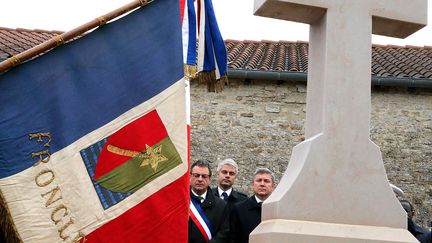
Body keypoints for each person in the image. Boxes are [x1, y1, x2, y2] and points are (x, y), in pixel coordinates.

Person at [229, 167, 276, 243]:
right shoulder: (239, 209)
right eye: (259, 180)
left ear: (273, 186)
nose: (262, 184)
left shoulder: (278, 209)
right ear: (253, 184)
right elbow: (233, 238)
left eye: (266, 181)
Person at [189, 159, 229, 243]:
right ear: (190, 177)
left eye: (204, 176)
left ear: (210, 179)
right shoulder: (181, 202)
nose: (200, 179)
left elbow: (224, 233)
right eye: (196, 175)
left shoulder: (221, 205)